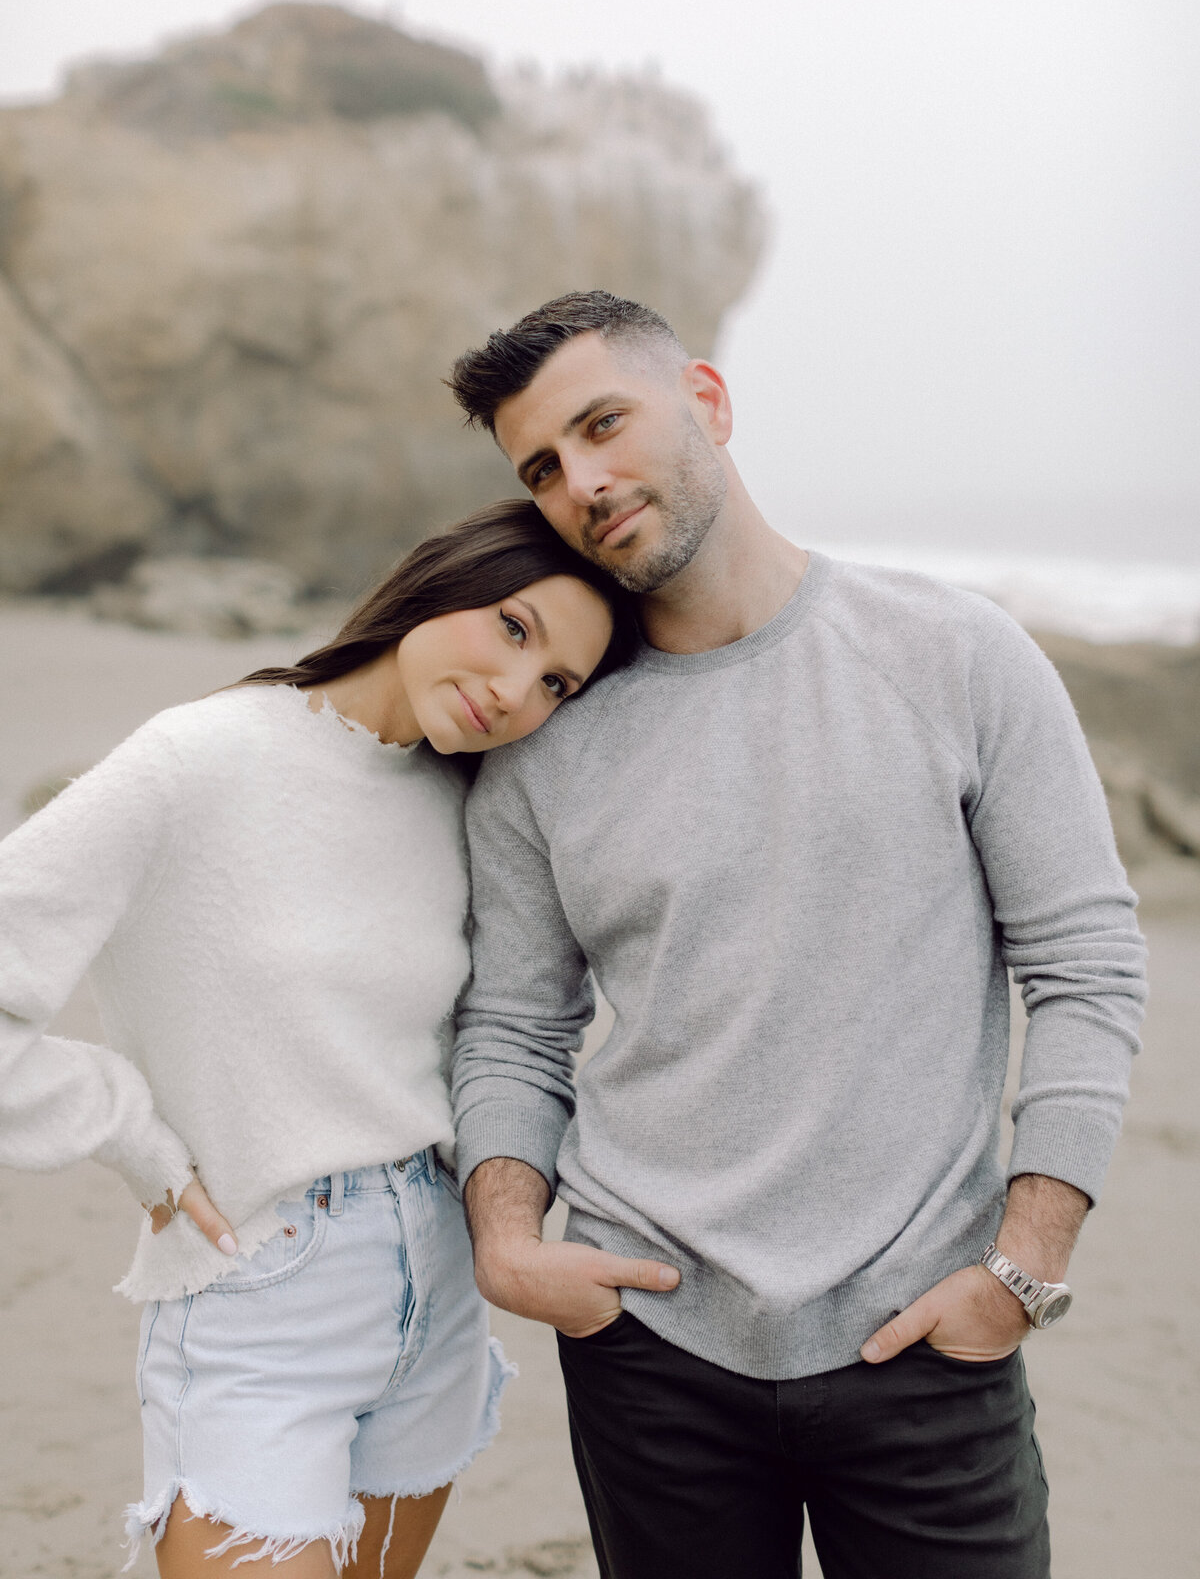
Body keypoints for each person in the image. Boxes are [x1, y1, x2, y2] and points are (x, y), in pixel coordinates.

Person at [446, 292, 1148, 1579]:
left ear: (706, 402)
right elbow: (512, 1024)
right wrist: (509, 1240)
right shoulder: (544, 745)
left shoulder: (960, 658)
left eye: (605, 425)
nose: (583, 481)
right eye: (543, 467)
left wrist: (1027, 1263)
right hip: (647, 1345)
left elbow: (1087, 963)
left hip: (931, 1331)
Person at [0, 500, 636, 1579]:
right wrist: (131, 1136)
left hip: (433, 1286)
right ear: (443, 577)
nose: (515, 692)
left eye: (557, 686)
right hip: (260, 1291)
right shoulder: (198, 758)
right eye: (516, 630)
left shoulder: (464, 800)